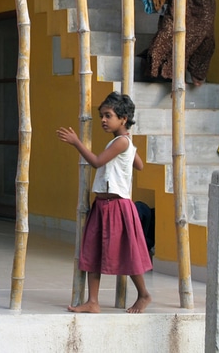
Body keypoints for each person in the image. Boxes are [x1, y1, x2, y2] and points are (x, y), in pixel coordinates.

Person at [56, 92, 153, 313]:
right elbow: (139, 165)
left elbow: (97, 162)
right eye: (102, 116)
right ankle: (93, 301)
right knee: (93, 250)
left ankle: (144, 294)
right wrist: (129, 151)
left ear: (123, 118)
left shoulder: (121, 142)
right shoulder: (124, 142)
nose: (103, 120)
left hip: (117, 206)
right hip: (102, 205)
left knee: (127, 252)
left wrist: (76, 143)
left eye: (108, 116)